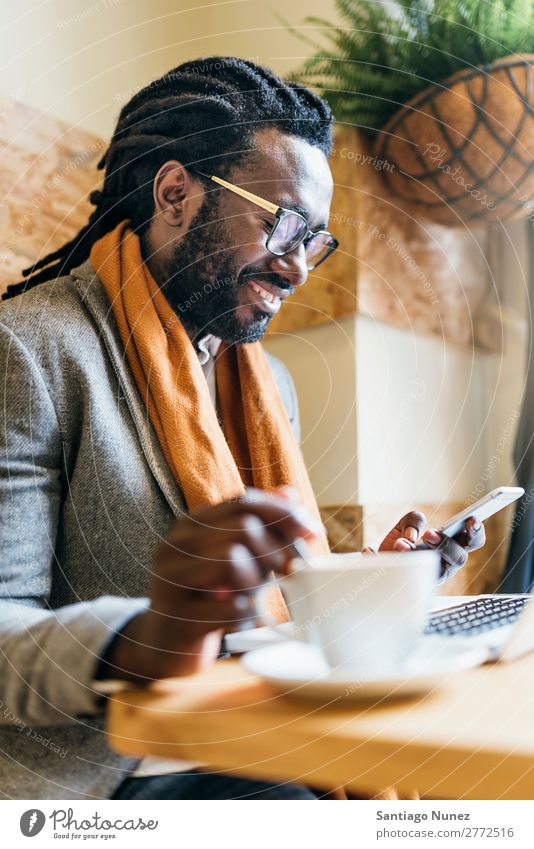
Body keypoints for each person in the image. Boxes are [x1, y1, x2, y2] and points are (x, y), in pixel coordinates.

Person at [0, 57, 484, 801]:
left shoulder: (265, 380)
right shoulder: (30, 348)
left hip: (254, 729)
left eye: (314, 240)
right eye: (282, 223)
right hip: (105, 774)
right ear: (174, 193)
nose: (296, 267)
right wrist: (151, 635)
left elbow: (271, 601)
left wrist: (384, 578)